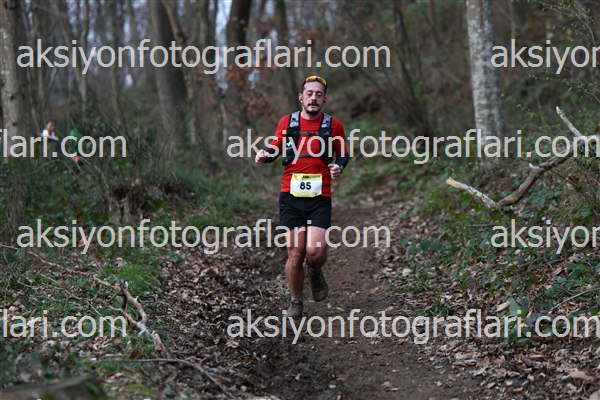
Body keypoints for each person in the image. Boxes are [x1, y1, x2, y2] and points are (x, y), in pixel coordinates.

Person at [255, 75, 349, 317]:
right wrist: (265, 154)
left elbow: (343, 153)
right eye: (309, 93)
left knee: (315, 252)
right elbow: (275, 146)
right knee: (296, 253)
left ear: (324, 99)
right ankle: (296, 302)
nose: (313, 98)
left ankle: (315, 271)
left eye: (318, 94)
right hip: (291, 195)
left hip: (320, 196)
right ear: (301, 97)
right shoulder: (287, 122)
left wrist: (338, 166)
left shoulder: (334, 125)